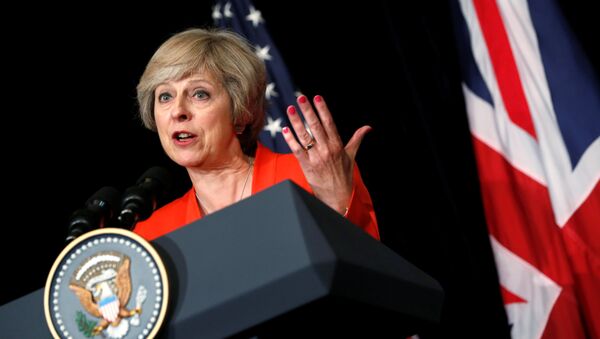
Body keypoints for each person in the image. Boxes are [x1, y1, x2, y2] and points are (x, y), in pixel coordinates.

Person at [132, 28, 379, 241]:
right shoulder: (152, 234)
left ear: (240, 112)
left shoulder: (313, 174)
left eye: (199, 94)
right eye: (165, 96)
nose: (178, 111)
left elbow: (371, 276)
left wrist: (338, 203)